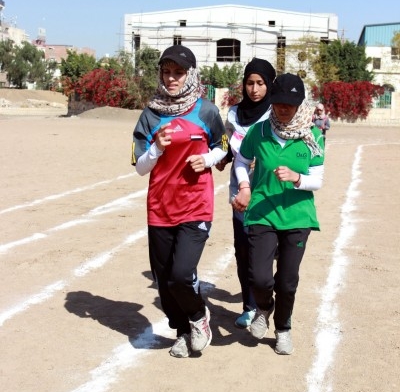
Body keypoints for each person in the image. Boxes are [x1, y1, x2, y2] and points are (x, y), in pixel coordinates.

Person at [132, 45, 228, 358]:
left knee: (181, 274)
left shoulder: (206, 111)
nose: (171, 78)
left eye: (178, 72)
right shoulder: (150, 114)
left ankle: (199, 316)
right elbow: (140, 167)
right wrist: (157, 148)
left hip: (195, 205)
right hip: (160, 207)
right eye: (166, 72)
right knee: (163, 280)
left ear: (190, 75)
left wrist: (207, 159)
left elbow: (223, 147)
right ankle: (184, 332)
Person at [232, 73, 325, 355]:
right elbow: (241, 160)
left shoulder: (313, 136)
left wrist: (297, 178)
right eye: (279, 102)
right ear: (272, 101)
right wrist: (245, 186)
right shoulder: (259, 131)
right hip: (262, 213)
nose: (284, 108)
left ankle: (283, 329)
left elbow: (317, 180)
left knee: (286, 281)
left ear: (300, 104)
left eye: (290, 104)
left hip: (298, 217)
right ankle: (264, 308)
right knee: (260, 278)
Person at [215, 58, 276, 329]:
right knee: (243, 249)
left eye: (260, 83)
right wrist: (224, 158)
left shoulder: (276, 112)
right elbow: (230, 144)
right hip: (239, 191)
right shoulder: (233, 114)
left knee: (263, 250)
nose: (254, 89)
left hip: (268, 191)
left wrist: (260, 159)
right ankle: (250, 307)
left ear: (269, 84)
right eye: (250, 83)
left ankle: (266, 301)